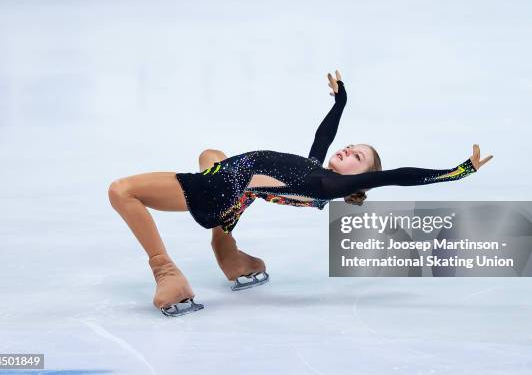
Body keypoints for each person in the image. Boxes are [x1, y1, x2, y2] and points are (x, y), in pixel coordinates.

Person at [107, 70, 493, 317]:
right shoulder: (316, 170)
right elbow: (323, 136)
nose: (347, 150)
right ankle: (231, 255)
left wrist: (458, 171)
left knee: (122, 191)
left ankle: (167, 271)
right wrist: (341, 101)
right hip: (235, 191)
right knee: (212, 154)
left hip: (217, 189)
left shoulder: (331, 185)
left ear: (360, 179)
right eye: (351, 146)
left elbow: (400, 175)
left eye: (356, 157)